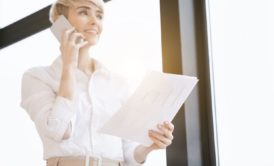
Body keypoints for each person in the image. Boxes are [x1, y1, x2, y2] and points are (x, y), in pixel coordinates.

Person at [20, 0, 174, 165]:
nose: (95, 21)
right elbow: (58, 130)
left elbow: (128, 155)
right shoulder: (38, 77)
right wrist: (68, 66)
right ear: (61, 22)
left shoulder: (117, 83)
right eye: (84, 12)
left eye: (99, 15)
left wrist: (149, 146)